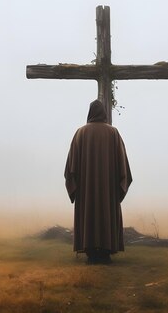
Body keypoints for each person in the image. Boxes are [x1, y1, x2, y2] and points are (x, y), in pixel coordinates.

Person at [64, 100, 132, 264]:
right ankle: (105, 251)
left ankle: (90, 252)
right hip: (108, 192)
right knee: (106, 212)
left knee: (89, 214)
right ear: (104, 113)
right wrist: (118, 190)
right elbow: (124, 170)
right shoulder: (113, 134)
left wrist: (75, 190)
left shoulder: (80, 134)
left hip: (86, 192)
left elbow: (70, 170)